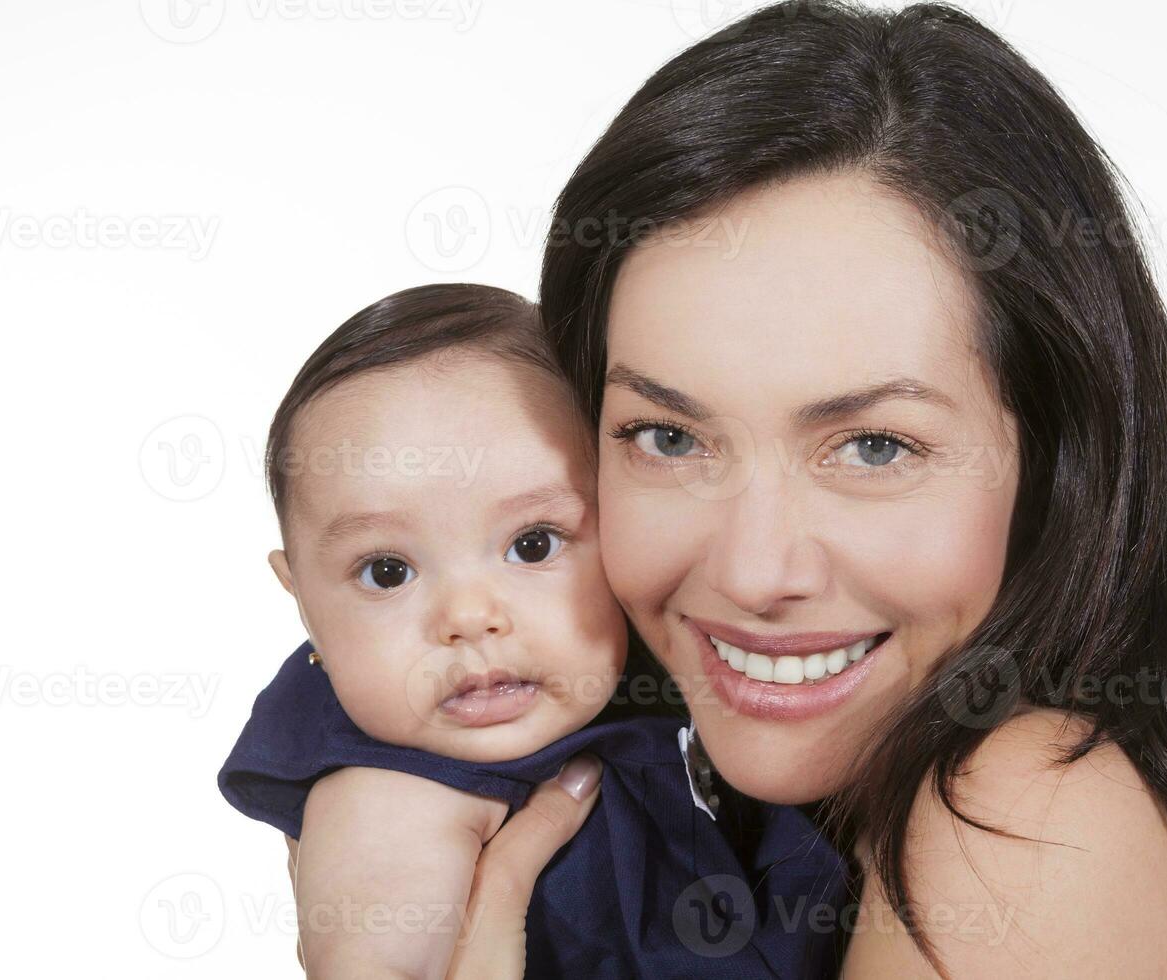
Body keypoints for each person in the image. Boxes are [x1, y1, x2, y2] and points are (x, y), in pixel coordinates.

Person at [352, 3, 1167, 977]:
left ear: (1054, 458)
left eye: (872, 447)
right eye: (668, 437)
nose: (753, 569)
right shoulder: (653, 771)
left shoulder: (1023, 816)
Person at [219, 282, 850, 978]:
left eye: (534, 545)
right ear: (301, 600)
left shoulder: (671, 675)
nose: (467, 619)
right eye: (388, 571)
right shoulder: (395, 801)